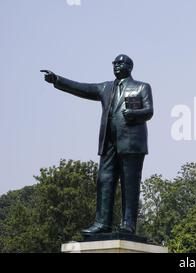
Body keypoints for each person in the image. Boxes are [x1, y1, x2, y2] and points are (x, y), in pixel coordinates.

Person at [41, 54, 153, 235]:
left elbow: (149, 111)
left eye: (120, 63)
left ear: (130, 66)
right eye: (114, 63)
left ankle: (128, 224)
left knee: (129, 184)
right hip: (108, 142)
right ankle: (102, 223)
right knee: (104, 181)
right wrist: (57, 80)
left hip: (131, 143)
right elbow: (82, 88)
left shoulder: (141, 87)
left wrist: (133, 113)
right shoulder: (105, 87)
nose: (116, 66)